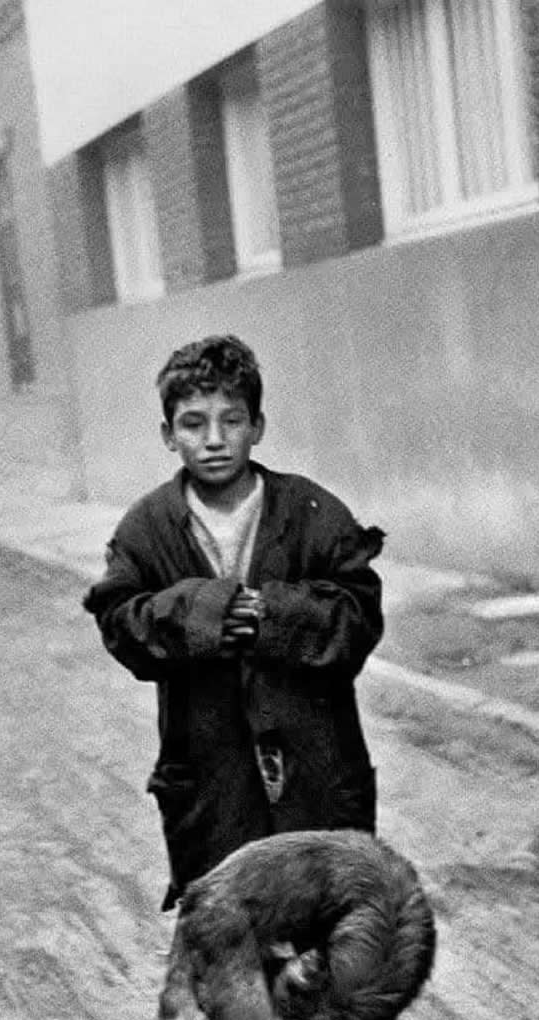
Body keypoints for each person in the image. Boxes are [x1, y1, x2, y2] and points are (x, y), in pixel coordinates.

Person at [83, 334, 385, 910]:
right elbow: (121, 623)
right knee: (230, 949)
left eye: (232, 420)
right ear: (168, 435)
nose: (215, 440)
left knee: (328, 939)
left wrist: (272, 615)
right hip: (212, 787)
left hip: (316, 777)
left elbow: (359, 616)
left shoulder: (313, 514)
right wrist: (203, 612)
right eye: (194, 424)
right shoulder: (147, 529)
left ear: (259, 426)